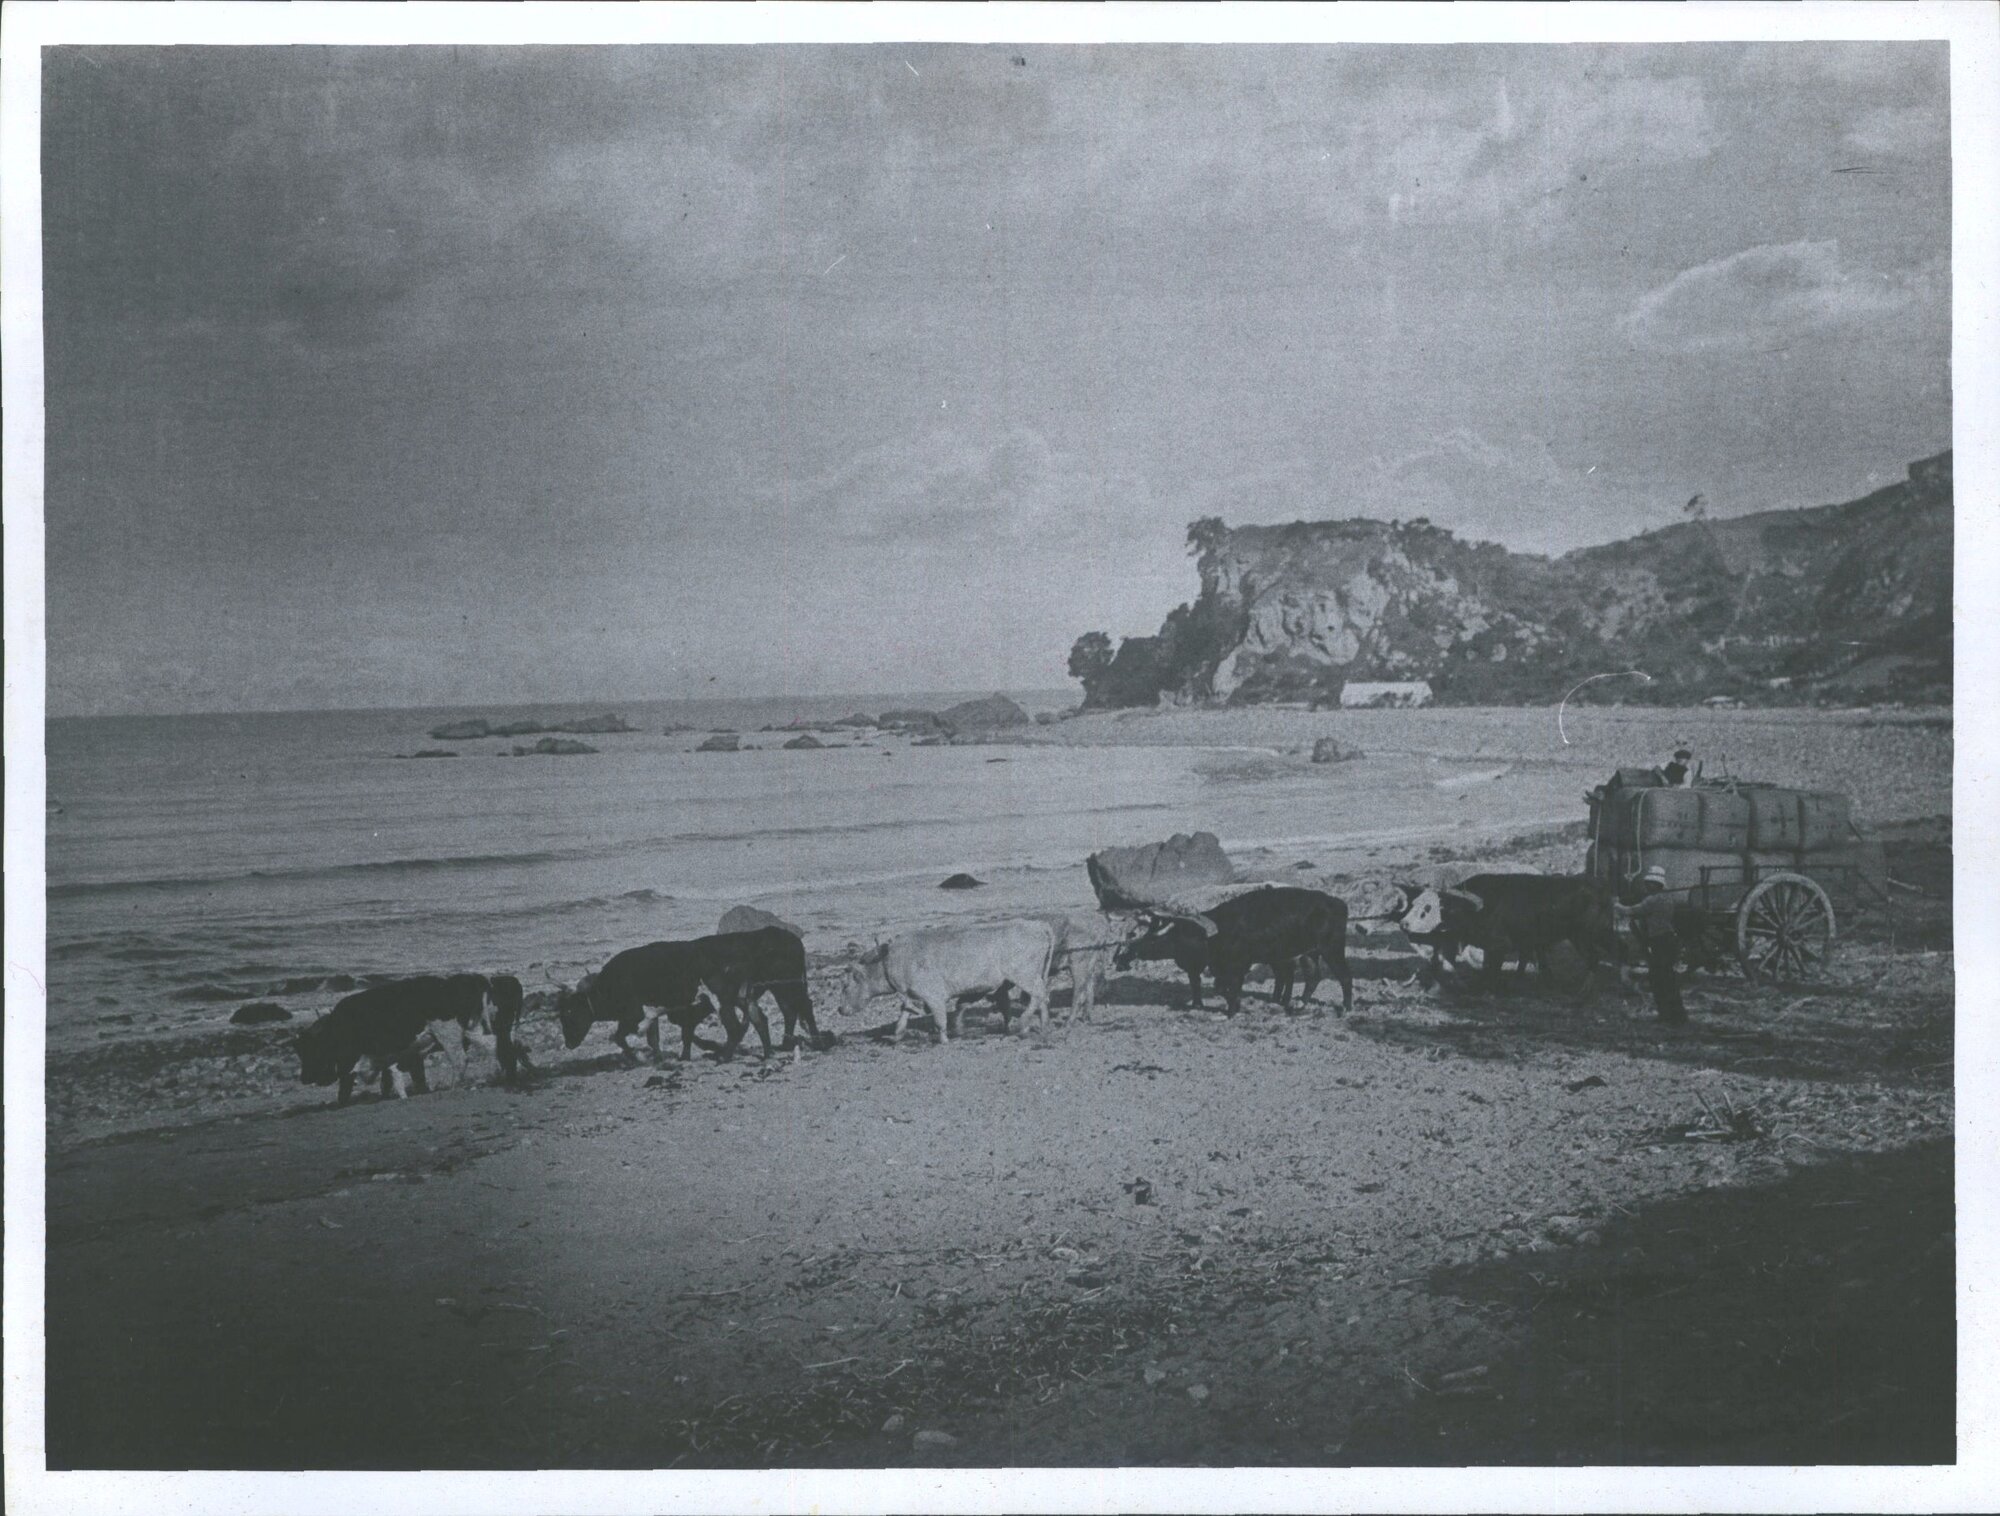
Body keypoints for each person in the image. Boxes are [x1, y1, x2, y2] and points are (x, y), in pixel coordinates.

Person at [1630, 864, 1687, 1025]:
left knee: (1660, 979)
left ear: (1657, 885)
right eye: (1647, 883)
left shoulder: (1653, 900)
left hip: (1660, 942)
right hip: (1668, 941)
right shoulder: (1667, 899)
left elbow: (1633, 910)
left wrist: (1616, 906)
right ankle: (1674, 1015)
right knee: (1666, 978)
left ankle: (1670, 1016)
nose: (1647, 886)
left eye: (1650, 883)